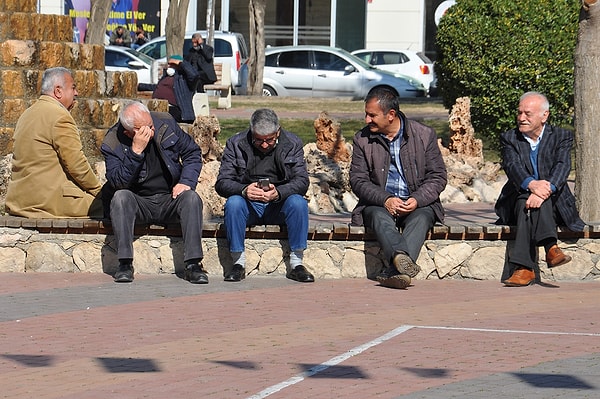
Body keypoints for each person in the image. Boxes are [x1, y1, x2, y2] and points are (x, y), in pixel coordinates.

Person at [349, 86, 447, 289]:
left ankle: (396, 269)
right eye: (366, 114)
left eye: (372, 115)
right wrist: (385, 199)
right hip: (379, 203)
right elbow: (358, 180)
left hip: (416, 203)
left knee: (422, 217)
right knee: (377, 216)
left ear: (391, 114)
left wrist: (417, 199)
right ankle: (401, 262)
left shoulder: (424, 135)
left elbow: (437, 177)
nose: (367, 120)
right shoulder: (362, 139)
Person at [101, 102, 206, 284]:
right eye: (145, 129)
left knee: (191, 198)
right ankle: (125, 264)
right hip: (139, 202)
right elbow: (118, 183)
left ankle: (193, 265)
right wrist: (135, 152)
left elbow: (192, 153)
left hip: (170, 198)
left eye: (151, 125)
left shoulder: (165, 123)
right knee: (120, 198)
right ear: (129, 132)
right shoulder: (112, 142)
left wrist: (185, 182)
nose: (152, 130)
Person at [495, 92, 585, 287]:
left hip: (555, 202)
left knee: (531, 204)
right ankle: (551, 248)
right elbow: (513, 167)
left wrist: (545, 190)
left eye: (527, 113)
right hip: (517, 198)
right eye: (519, 113)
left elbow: (562, 166)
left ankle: (524, 269)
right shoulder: (510, 138)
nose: (521, 118)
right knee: (524, 201)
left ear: (544, 116)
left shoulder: (561, 136)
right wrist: (533, 186)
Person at [215, 108, 315, 283]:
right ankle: (238, 263)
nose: (263, 145)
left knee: (298, 203)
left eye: (269, 140)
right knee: (233, 203)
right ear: (251, 131)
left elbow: (301, 181)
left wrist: (279, 193)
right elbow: (222, 182)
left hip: (279, 204)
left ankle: (297, 263)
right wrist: (244, 190)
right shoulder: (235, 143)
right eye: (258, 140)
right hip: (248, 205)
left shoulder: (292, 143)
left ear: (278, 132)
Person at [5, 67, 103, 218]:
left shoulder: (27, 114)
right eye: (73, 87)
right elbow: (76, 165)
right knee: (114, 206)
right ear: (58, 91)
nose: (76, 93)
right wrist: (99, 191)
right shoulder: (60, 116)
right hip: (47, 203)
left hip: (19, 201)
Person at [148, 55, 199, 123]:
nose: (169, 66)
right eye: (168, 64)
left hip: (175, 109)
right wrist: (139, 86)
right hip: (158, 105)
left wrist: (181, 63)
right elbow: (157, 87)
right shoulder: (166, 77)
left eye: (172, 64)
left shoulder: (183, 79)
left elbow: (194, 75)